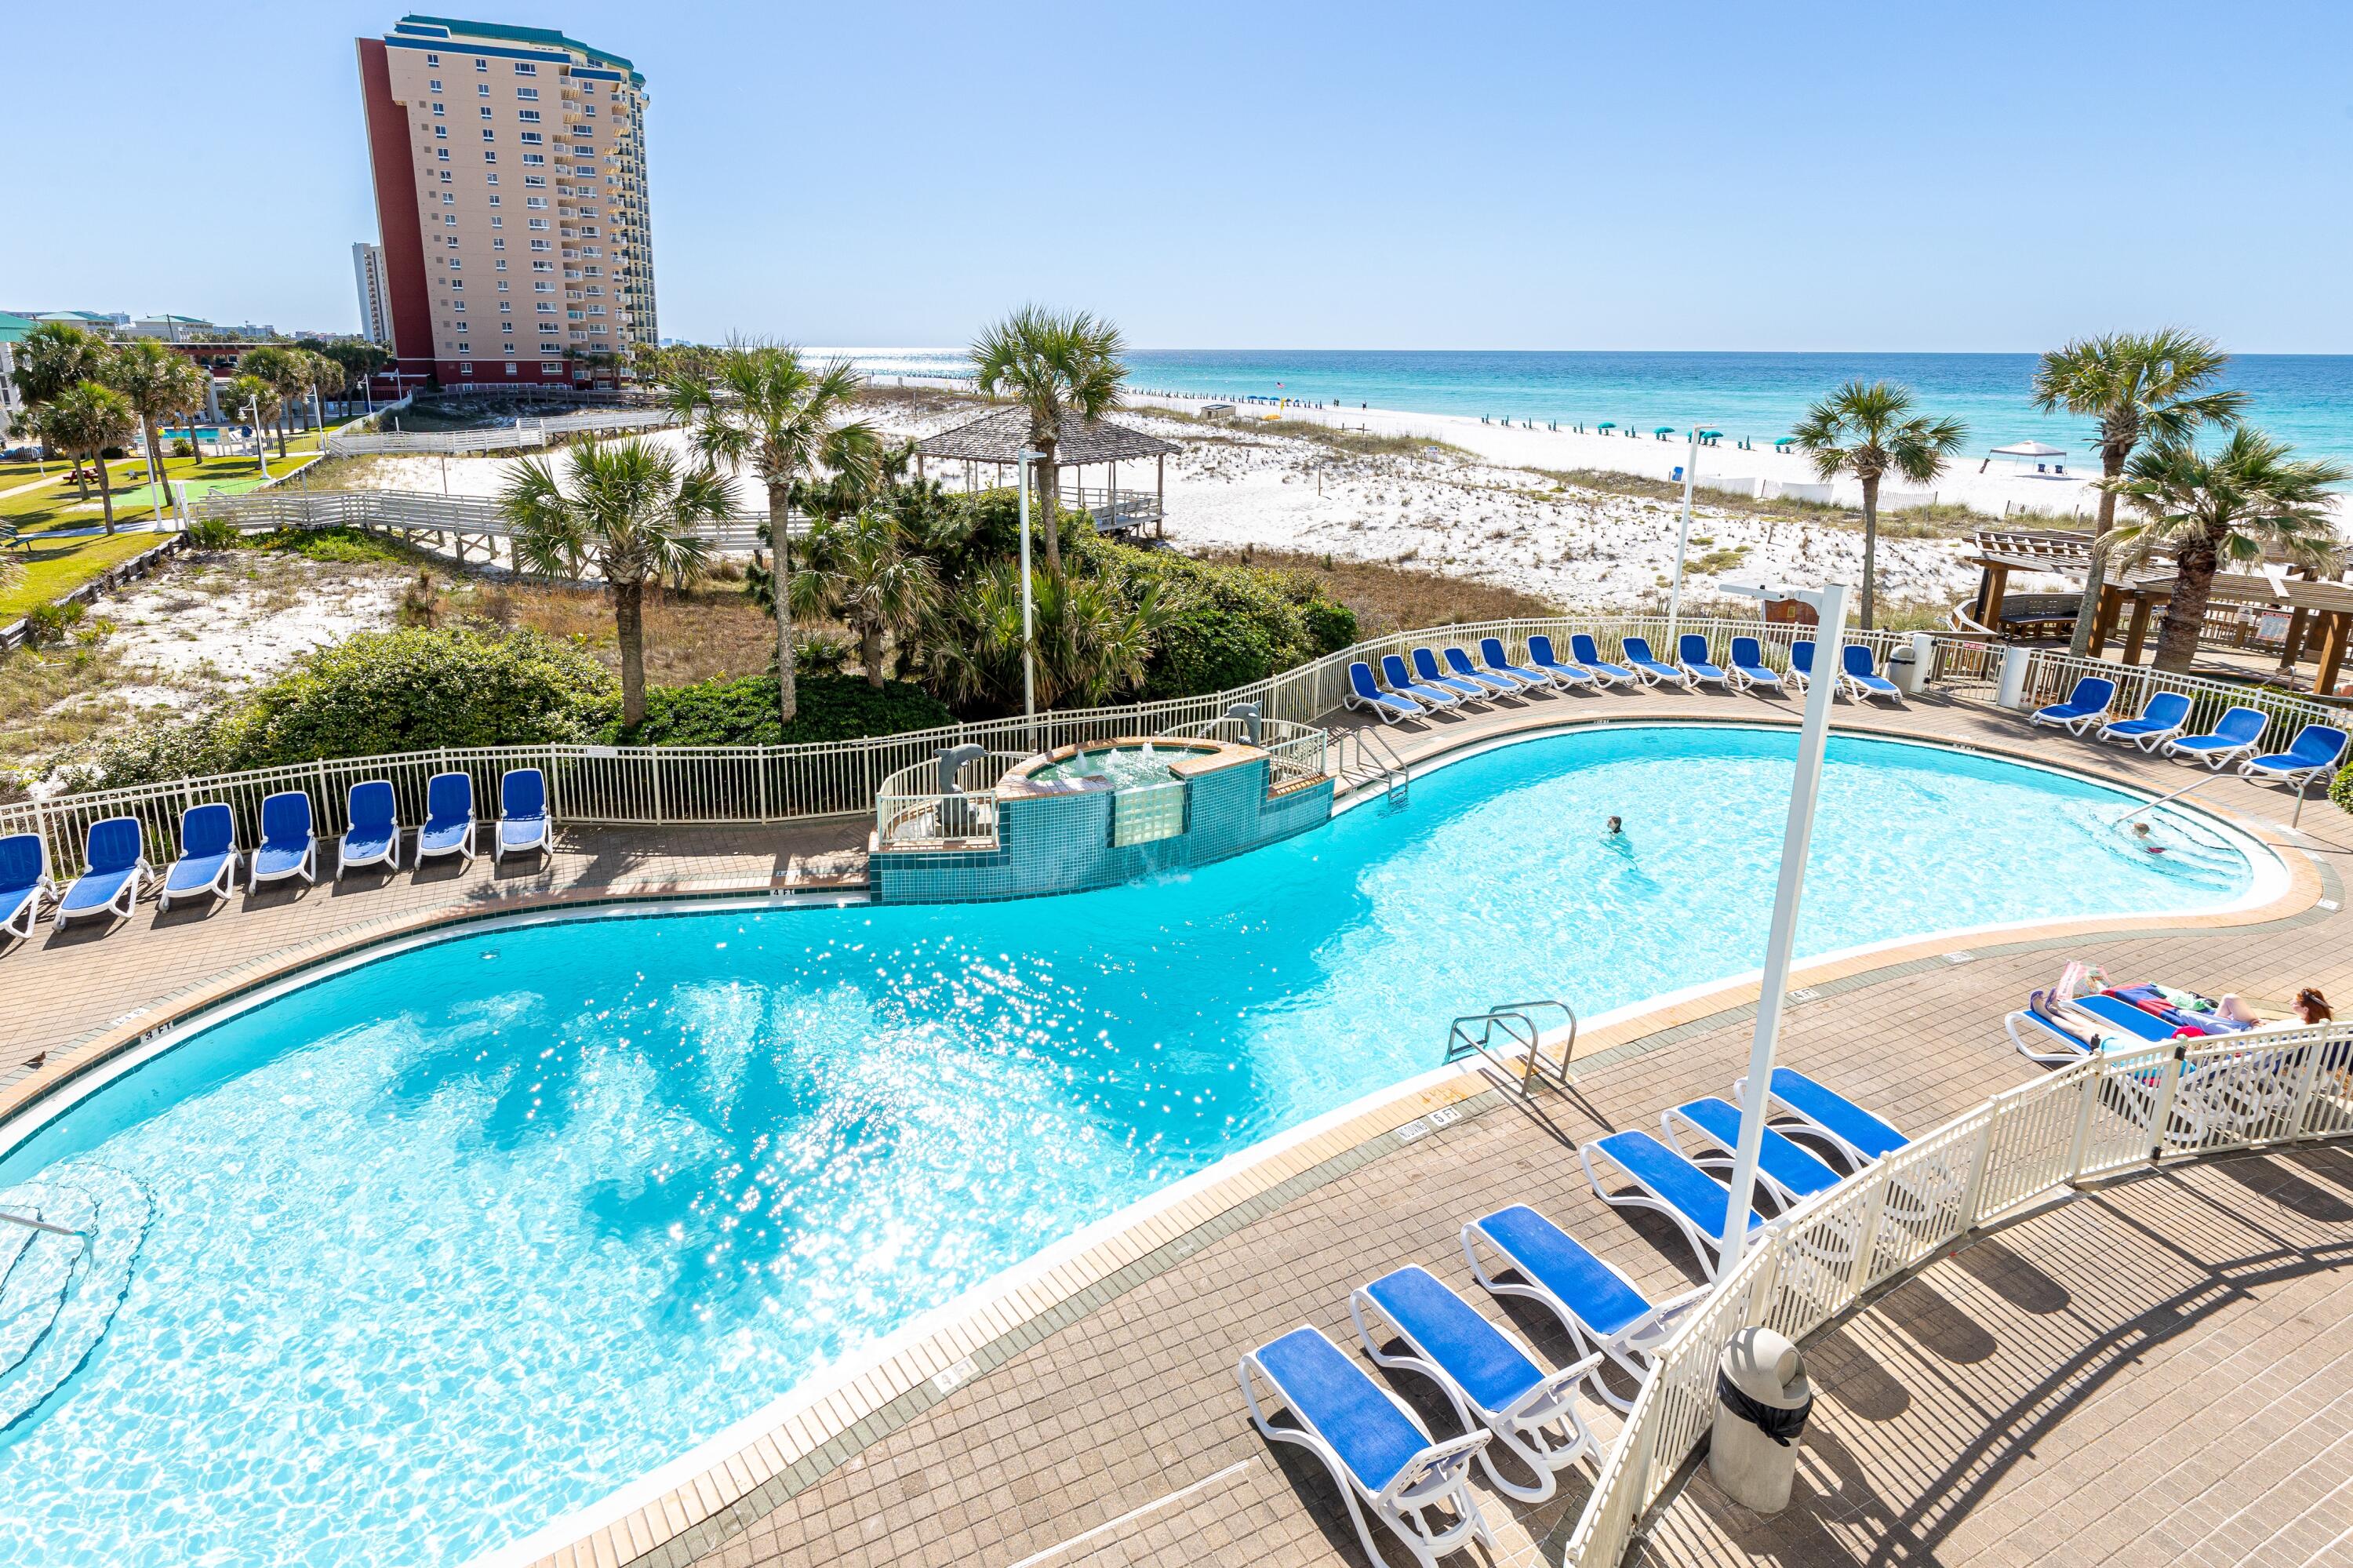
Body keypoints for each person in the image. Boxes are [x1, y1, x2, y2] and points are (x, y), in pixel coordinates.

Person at [2217, 988, 2332, 1029]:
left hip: (2247, 1037)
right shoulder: (2310, 1025)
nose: (2291, 1003)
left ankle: (2210, 1031)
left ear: (2305, 1009)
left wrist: (2255, 1026)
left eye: (2295, 1003)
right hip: (2260, 1030)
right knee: (2230, 999)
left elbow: (2264, 1039)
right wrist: (2271, 1023)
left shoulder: (2300, 1027)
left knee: (2230, 999)